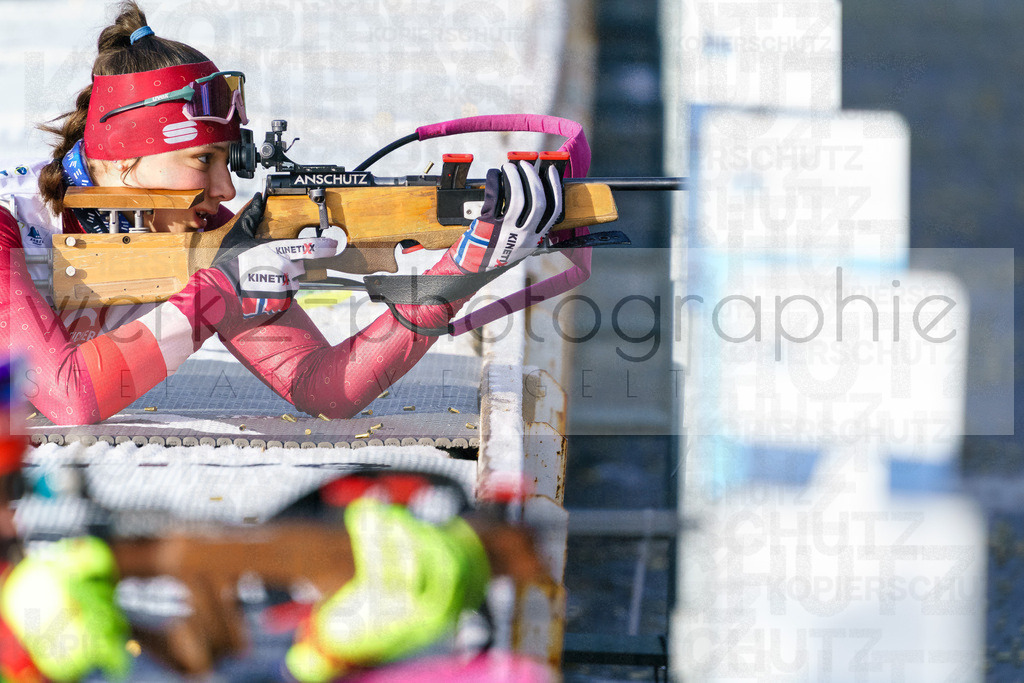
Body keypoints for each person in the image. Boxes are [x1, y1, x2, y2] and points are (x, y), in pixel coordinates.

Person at [0, 1, 562, 427]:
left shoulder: (197, 235)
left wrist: (463, 270)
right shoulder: (7, 222)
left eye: (228, 159)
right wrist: (214, 295)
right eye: (202, 160)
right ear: (123, 163)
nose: (226, 187)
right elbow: (72, 400)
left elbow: (324, 390)